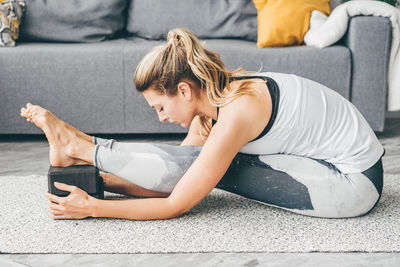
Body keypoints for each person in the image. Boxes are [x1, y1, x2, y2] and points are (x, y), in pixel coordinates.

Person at [20, 28, 384, 220]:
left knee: (216, 168)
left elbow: (176, 204)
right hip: (323, 168)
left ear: (183, 89)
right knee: (199, 167)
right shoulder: (216, 103)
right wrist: (97, 185)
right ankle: (83, 156)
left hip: (353, 183)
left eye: (161, 107)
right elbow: (172, 182)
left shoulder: (239, 111)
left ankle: (82, 147)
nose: (161, 118)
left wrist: (94, 208)